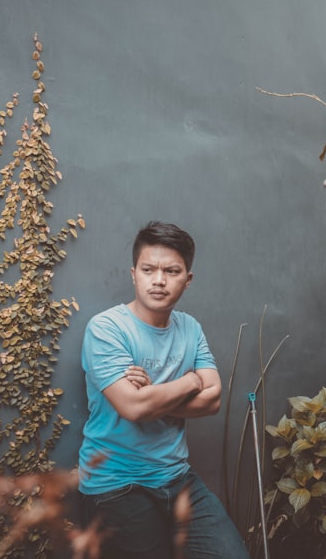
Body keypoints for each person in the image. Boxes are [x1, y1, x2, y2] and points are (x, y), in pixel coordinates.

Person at [78, 221, 250, 559]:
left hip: (177, 476)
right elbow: (135, 408)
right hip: (116, 484)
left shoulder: (189, 327)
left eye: (172, 271)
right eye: (148, 269)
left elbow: (213, 400)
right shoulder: (106, 329)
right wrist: (190, 382)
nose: (159, 280)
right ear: (133, 274)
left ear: (187, 280)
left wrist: (153, 394)